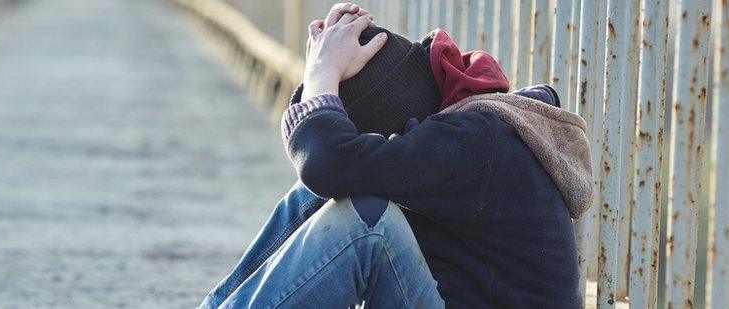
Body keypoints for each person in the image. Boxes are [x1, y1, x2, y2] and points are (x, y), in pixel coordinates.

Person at [201, 3, 594, 308]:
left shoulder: (473, 141)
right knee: (316, 194)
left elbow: (329, 163)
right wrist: (322, 76)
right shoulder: (463, 125)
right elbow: (327, 168)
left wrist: (324, 76)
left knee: (368, 220)